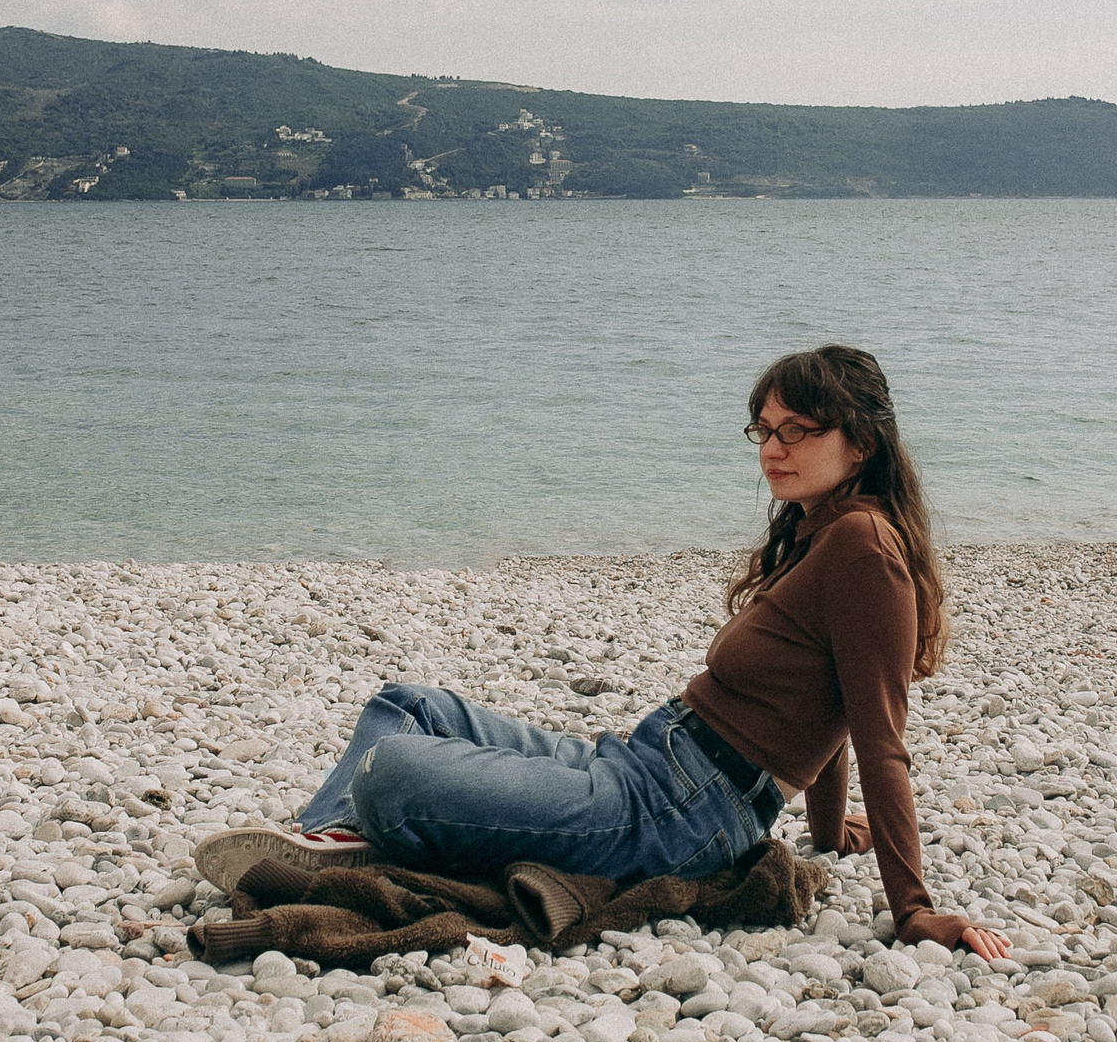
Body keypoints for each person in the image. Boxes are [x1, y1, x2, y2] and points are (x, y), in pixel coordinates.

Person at [194, 344, 1012, 960]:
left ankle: (334, 836)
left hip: (677, 813)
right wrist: (829, 833)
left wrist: (912, 909)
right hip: (645, 762)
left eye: (798, 430)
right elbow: (823, 697)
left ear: (860, 441)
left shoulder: (864, 547)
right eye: (764, 429)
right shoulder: (817, 530)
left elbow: (877, 734)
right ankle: (334, 836)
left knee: (389, 771)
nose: (773, 447)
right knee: (407, 705)